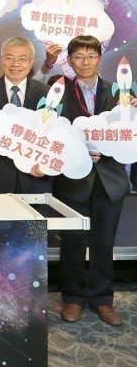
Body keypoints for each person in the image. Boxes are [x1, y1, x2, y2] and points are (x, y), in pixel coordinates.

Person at [53, 35, 130, 327]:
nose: (85, 62)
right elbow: (52, 134)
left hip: (109, 180)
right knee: (72, 242)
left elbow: (128, 133)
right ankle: (73, 297)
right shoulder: (58, 92)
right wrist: (78, 150)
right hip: (73, 180)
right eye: (78, 56)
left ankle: (102, 299)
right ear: (69, 60)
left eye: (91, 56)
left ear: (100, 58)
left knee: (103, 242)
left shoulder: (121, 92)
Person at [0, 37, 51, 194]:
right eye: (9, 58)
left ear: (31, 61)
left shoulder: (47, 92)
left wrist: (47, 165)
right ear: (2, 60)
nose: (15, 64)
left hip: (36, 178)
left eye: (22, 59)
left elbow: (54, 134)